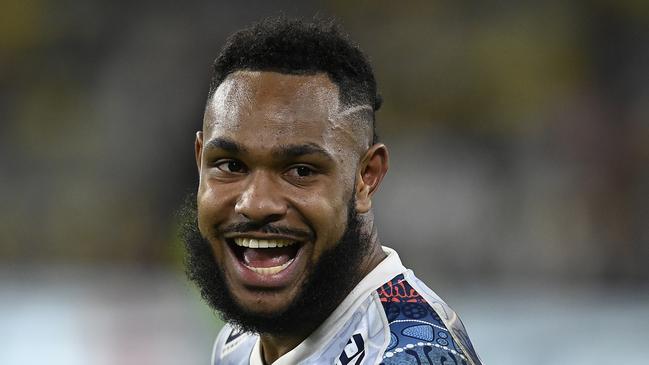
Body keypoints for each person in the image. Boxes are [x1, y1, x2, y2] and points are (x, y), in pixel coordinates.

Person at [181, 17, 483, 365]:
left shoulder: (405, 356)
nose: (256, 203)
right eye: (231, 166)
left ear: (366, 177)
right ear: (200, 161)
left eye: (301, 171)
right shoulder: (238, 342)